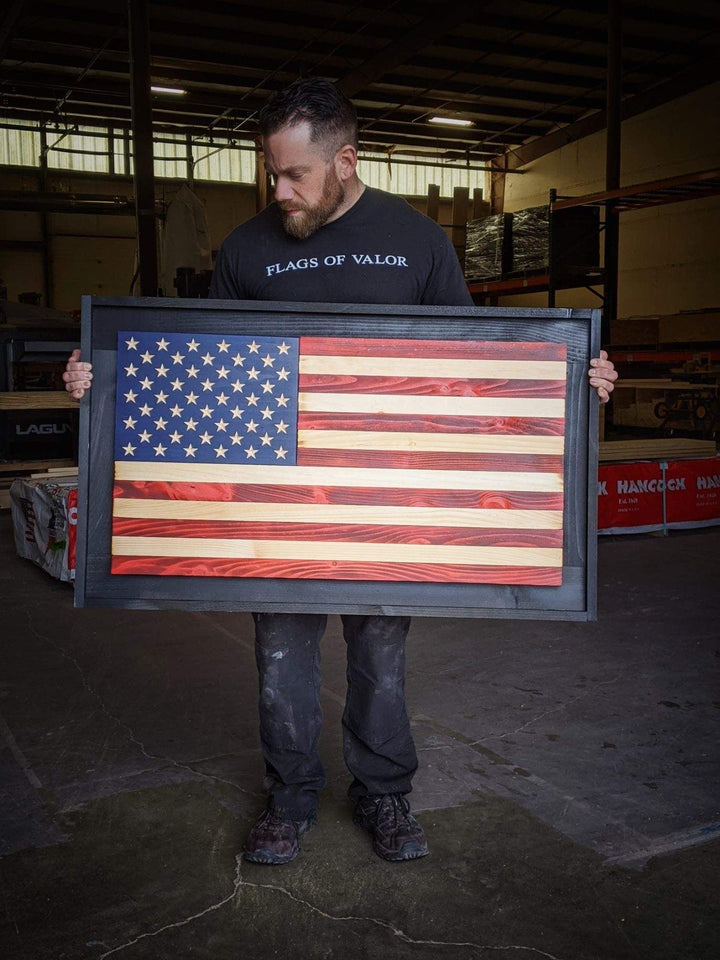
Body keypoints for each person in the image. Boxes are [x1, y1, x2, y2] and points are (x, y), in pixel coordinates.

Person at [64, 78, 617, 866]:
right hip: (277, 510)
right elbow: (199, 373)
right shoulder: (248, 250)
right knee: (281, 660)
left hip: (392, 503)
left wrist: (575, 381)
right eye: (271, 173)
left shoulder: (418, 242)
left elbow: (485, 370)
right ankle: (288, 799)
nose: (278, 191)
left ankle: (384, 794)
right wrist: (102, 382)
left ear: (345, 161)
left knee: (379, 660)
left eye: (295, 175)